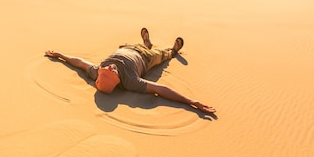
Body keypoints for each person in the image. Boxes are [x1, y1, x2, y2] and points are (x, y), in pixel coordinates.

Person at [45, 28, 216, 114]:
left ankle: (146, 42)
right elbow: (160, 90)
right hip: (146, 57)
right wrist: (191, 102)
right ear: (116, 79)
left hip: (127, 47)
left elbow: (80, 63)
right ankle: (173, 50)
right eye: (112, 70)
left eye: (107, 68)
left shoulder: (98, 73)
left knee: (135, 45)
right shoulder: (131, 82)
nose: (110, 67)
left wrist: (60, 55)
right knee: (162, 55)